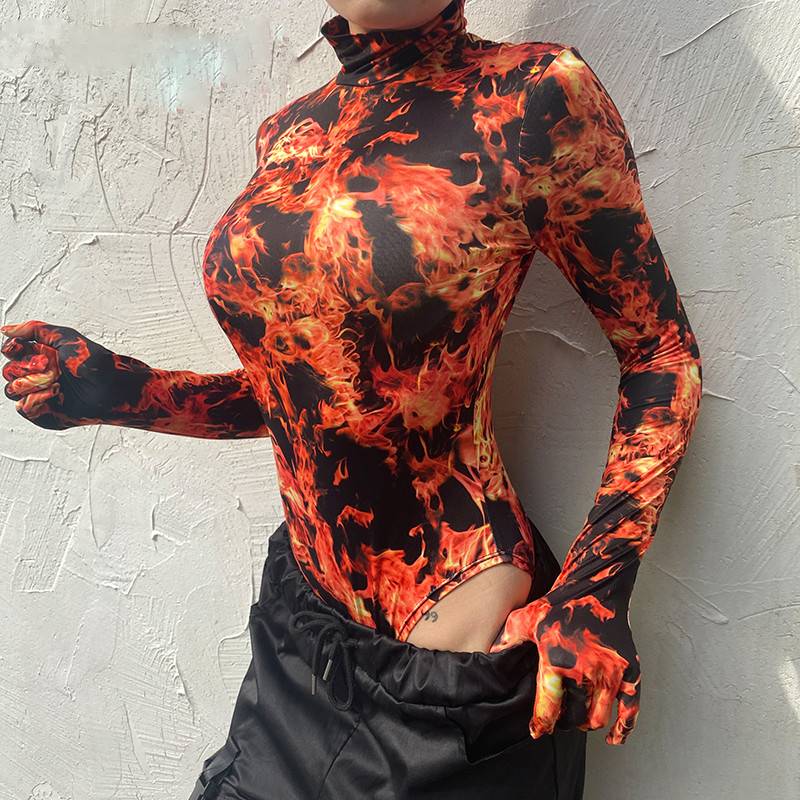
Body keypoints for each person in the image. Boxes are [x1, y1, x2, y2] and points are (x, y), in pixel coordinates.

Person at [1, 0, 703, 797]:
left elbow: (660, 351)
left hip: (452, 666)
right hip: (300, 628)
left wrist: (596, 588)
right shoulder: (288, 133)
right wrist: (129, 393)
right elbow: (316, 399)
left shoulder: (534, 95)